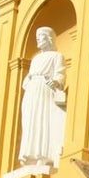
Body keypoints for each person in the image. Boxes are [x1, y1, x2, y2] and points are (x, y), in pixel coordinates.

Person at [18, 26, 67, 167]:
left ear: (49, 38)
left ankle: (43, 155)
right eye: (37, 36)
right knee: (30, 122)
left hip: (45, 90)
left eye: (41, 36)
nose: (38, 39)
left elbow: (60, 74)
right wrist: (29, 82)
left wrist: (56, 81)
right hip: (32, 92)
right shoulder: (35, 59)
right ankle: (29, 155)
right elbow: (27, 78)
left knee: (42, 121)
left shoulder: (57, 56)